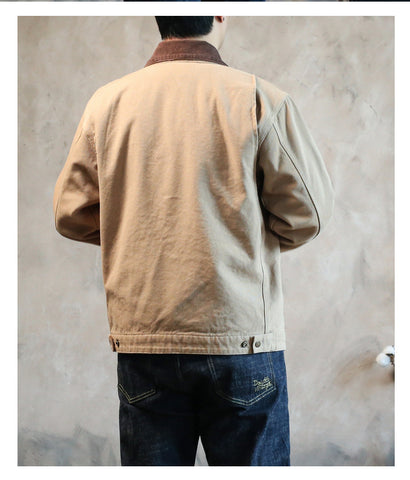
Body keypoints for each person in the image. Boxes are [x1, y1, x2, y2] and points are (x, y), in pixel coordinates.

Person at [53, 16, 334, 466]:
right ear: (220, 13)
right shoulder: (258, 98)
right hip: (240, 338)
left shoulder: (106, 103)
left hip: (145, 338)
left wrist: (137, 231)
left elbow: (71, 213)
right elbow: (308, 214)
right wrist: (241, 239)